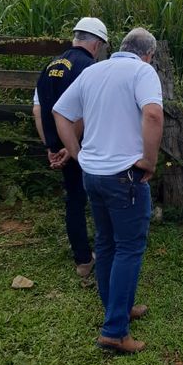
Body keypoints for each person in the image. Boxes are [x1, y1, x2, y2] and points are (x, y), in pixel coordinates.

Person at [53, 28, 163, 355]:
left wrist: (77, 153)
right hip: (124, 175)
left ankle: (118, 308)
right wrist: (150, 161)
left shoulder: (93, 71)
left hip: (93, 175)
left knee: (105, 243)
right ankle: (114, 331)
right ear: (148, 55)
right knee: (129, 247)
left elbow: (60, 112)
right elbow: (153, 114)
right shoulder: (143, 72)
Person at [33, 17, 108, 277]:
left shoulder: (50, 66)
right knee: (101, 198)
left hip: (59, 149)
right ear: (97, 44)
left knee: (74, 200)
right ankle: (108, 251)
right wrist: (70, 146)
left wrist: (51, 147)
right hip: (84, 146)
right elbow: (86, 112)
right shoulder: (89, 68)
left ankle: (83, 260)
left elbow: (38, 110)